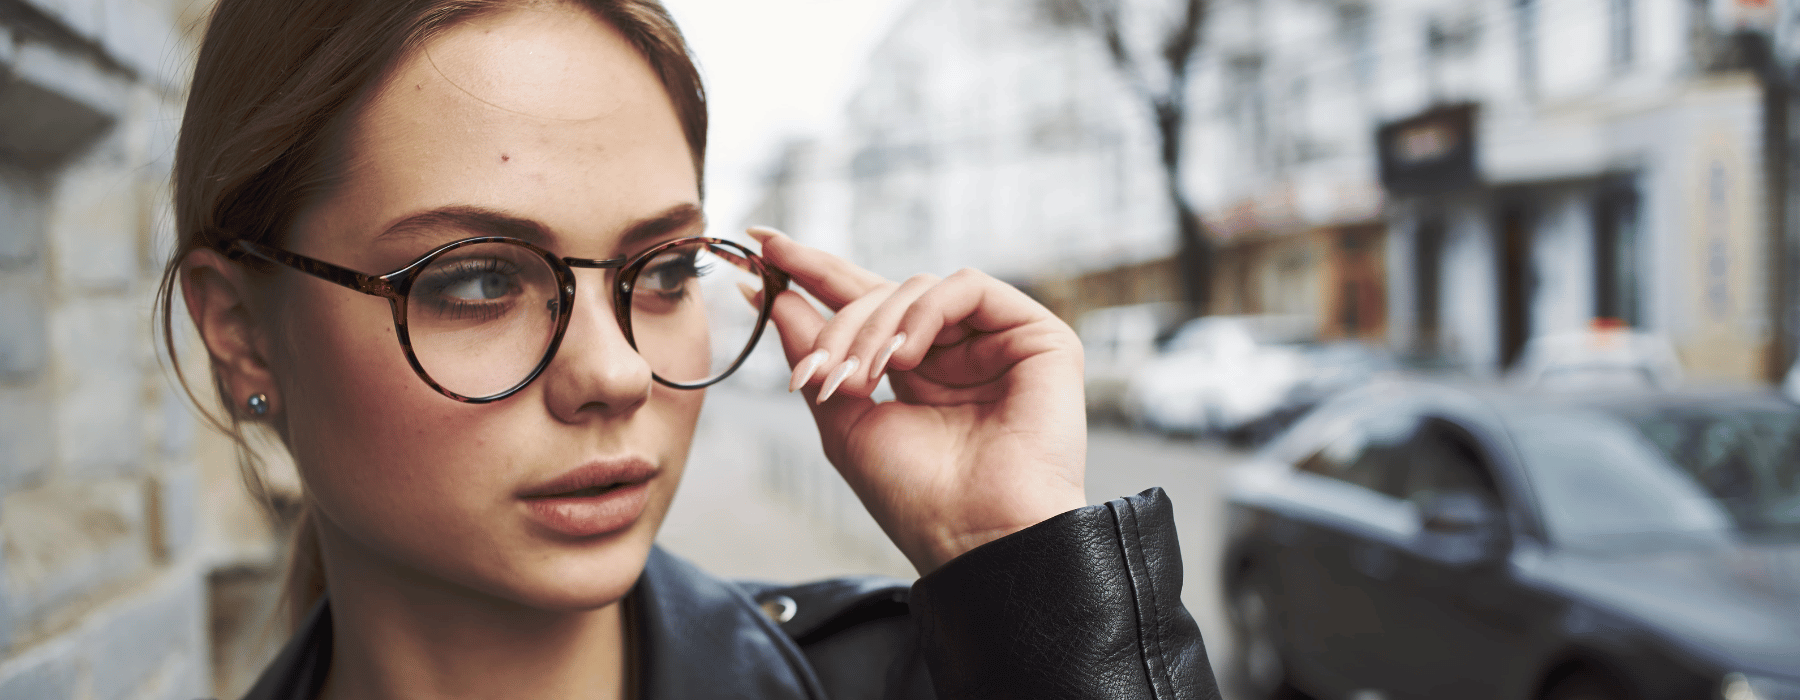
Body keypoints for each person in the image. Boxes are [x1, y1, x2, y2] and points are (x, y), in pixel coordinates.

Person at [161, 1, 1221, 698]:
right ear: (242, 334)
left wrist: (1030, 564)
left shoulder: (934, 678)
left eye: (662, 274)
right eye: (476, 279)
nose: (617, 374)